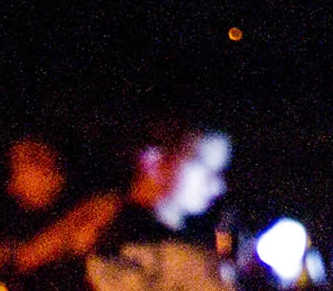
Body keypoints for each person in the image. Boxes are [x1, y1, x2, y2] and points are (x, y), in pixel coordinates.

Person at [12, 122, 233, 291]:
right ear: (153, 161)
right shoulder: (108, 230)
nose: (218, 185)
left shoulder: (205, 238)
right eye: (202, 163)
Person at [0, 137, 74, 286]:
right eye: (32, 157)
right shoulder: (8, 239)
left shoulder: (92, 199)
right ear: (13, 185)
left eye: (44, 151)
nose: (47, 159)